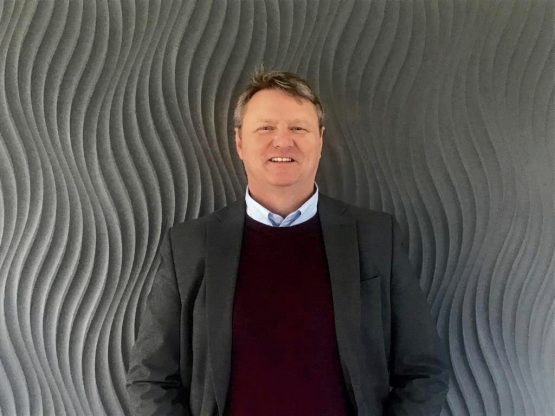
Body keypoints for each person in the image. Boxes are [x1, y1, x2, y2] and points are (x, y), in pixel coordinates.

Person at [126, 69, 449, 416]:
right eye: (265, 128)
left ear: (320, 140)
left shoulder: (376, 237)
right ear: (239, 142)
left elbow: (423, 371)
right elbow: (151, 378)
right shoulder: (189, 247)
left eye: (298, 128)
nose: (282, 142)